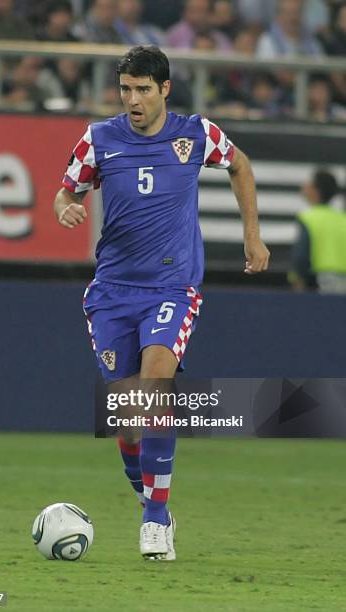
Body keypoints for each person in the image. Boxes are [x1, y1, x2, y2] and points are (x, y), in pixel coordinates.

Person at [53, 45, 270, 561]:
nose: (133, 99)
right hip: (112, 292)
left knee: (156, 381)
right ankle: (153, 499)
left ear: (164, 90)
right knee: (128, 421)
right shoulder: (99, 139)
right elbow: (67, 192)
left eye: (143, 90)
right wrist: (67, 210)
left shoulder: (196, 133)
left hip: (173, 288)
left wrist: (253, 237)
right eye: (126, 89)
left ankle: (154, 520)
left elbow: (240, 166)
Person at [289, 169, 346, 294]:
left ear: (316, 190)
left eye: (309, 182)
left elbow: (301, 257)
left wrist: (297, 280)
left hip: (322, 282)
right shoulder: (343, 218)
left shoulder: (309, 218)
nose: (304, 185)